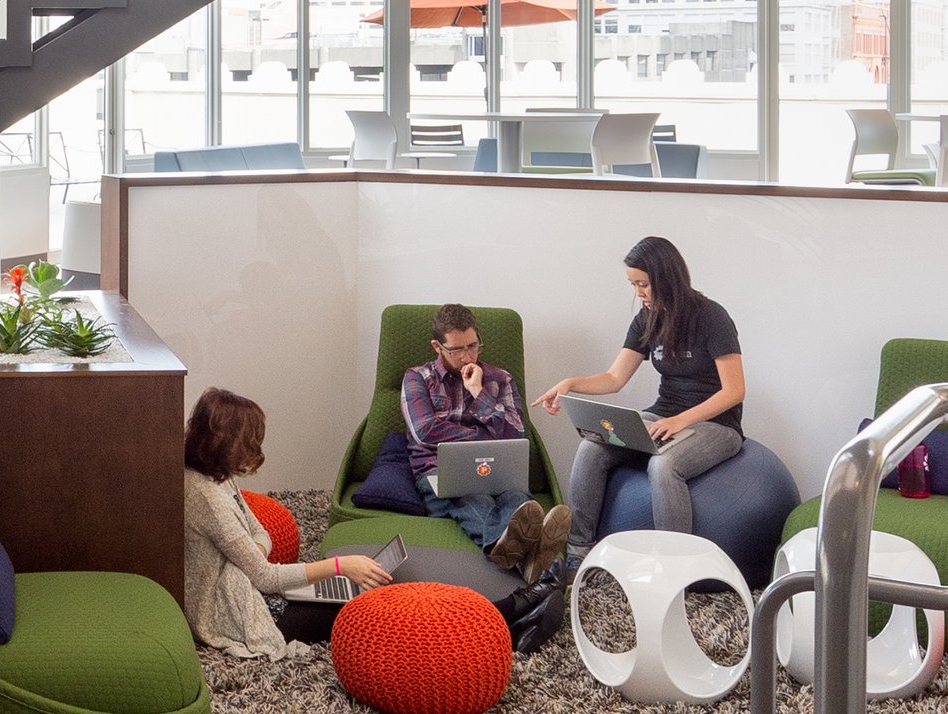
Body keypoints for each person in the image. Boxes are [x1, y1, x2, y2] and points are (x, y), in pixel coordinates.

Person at [534, 236, 746, 561]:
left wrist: (680, 421)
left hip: (716, 425)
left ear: (666, 278)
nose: (638, 293)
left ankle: (675, 563)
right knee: (592, 446)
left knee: (663, 465)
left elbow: (734, 391)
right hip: (664, 417)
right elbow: (615, 378)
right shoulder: (647, 319)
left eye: (643, 284)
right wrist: (569, 384)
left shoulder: (711, 317)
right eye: (633, 285)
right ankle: (577, 554)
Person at [180, 388, 388, 657]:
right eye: (249, 440)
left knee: (335, 594)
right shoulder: (208, 499)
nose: (254, 448)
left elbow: (260, 533)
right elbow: (266, 578)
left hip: (247, 585)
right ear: (224, 441)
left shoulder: (218, 475)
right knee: (355, 607)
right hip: (228, 610)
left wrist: (253, 556)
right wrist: (340, 566)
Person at [399, 306, 573, 572]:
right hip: (440, 471)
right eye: (456, 350)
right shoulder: (417, 378)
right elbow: (426, 431)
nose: (467, 356)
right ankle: (534, 560)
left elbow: (516, 433)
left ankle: (518, 556)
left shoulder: (500, 379)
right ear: (437, 347)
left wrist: (479, 393)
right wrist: (485, 435)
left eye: (473, 346)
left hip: (496, 468)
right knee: (477, 500)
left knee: (518, 500)